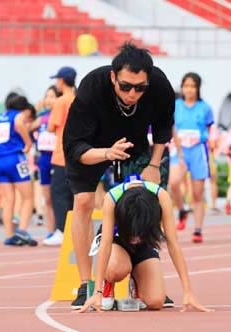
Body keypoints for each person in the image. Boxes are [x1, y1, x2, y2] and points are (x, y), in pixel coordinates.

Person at [62, 42, 175, 309]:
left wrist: (154, 165)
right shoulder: (92, 88)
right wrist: (106, 153)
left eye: (139, 88)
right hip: (90, 144)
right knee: (84, 202)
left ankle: (142, 271)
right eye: (125, 86)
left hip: (134, 142)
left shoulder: (159, 86)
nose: (132, 94)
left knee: (147, 198)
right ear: (113, 77)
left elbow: (163, 127)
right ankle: (85, 284)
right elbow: (74, 147)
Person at [78, 177, 211, 313]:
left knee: (156, 301)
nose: (135, 238)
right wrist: (97, 291)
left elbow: (173, 243)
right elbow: (105, 244)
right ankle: (108, 285)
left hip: (145, 242)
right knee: (116, 269)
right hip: (117, 241)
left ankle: (136, 281)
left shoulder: (162, 197)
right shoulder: (111, 198)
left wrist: (188, 291)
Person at [0, 95, 37, 246]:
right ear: (23, 108)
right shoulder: (17, 116)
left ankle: (9, 235)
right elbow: (19, 124)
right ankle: (22, 231)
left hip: (0, 162)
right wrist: (28, 143)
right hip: (16, 159)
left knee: (9, 199)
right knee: (28, 197)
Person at [169, 73, 214, 243]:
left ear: (198, 88)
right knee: (173, 183)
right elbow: (172, 128)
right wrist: (177, 148)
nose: (189, 89)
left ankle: (198, 229)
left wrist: (207, 144)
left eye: (192, 86)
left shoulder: (205, 108)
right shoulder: (176, 106)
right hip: (180, 150)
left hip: (198, 151)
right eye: (186, 85)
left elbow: (209, 128)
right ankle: (182, 210)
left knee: (197, 193)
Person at [43, 67, 77, 247]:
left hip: (61, 153)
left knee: (59, 193)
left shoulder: (61, 101)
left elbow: (51, 127)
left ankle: (61, 230)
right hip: (78, 155)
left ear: (62, 81)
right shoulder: (79, 99)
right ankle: (72, 230)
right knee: (73, 194)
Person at [32, 85, 60, 236]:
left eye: (52, 96)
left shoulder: (62, 114)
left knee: (59, 196)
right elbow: (27, 125)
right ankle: (50, 231)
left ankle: (60, 229)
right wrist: (36, 109)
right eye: (47, 96)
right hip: (43, 158)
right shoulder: (42, 117)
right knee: (47, 198)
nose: (49, 100)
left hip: (57, 158)